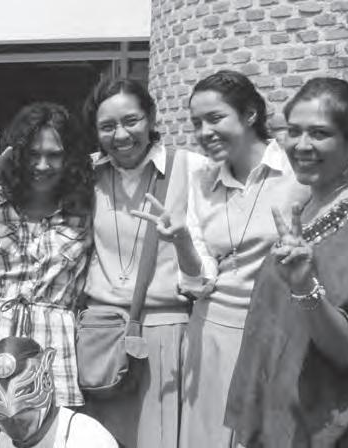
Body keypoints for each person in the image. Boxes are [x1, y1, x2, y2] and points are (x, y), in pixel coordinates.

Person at [133, 70, 308, 447]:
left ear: (250, 115)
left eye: (215, 118)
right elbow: (200, 283)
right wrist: (181, 241)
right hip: (211, 334)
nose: (204, 132)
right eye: (197, 123)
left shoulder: (297, 173)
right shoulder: (202, 182)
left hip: (278, 332)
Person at [225, 77, 348, 447]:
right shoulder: (309, 205)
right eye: (294, 131)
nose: (302, 145)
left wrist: (305, 285)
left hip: (327, 428)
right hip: (286, 416)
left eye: (320, 133)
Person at [77, 77, 207, 448]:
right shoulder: (86, 174)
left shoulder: (192, 169)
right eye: (107, 126)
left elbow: (208, 262)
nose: (121, 135)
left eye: (131, 121)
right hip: (101, 335)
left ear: (151, 117)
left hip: (167, 331)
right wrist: (2, 178)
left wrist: (181, 241)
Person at [0, 102, 94, 436]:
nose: (42, 165)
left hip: (54, 349)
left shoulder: (85, 212)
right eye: (32, 154)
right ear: (17, 154)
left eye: (55, 155)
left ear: (70, 158)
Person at [0, 336, 118, 448]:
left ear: (46, 381)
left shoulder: (88, 437)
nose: (15, 425)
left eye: (23, 414)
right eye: (2, 418)